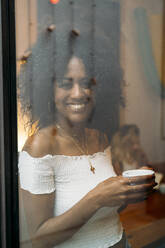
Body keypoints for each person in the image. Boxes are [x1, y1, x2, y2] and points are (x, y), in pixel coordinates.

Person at [18, 56, 155, 248]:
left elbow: (112, 209)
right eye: (66, 84)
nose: (78, 93)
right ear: (48, 90)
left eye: (86, 83)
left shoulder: (100, 138)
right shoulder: (39, 146)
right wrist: (97, 198)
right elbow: (40, 239)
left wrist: (129, 189)